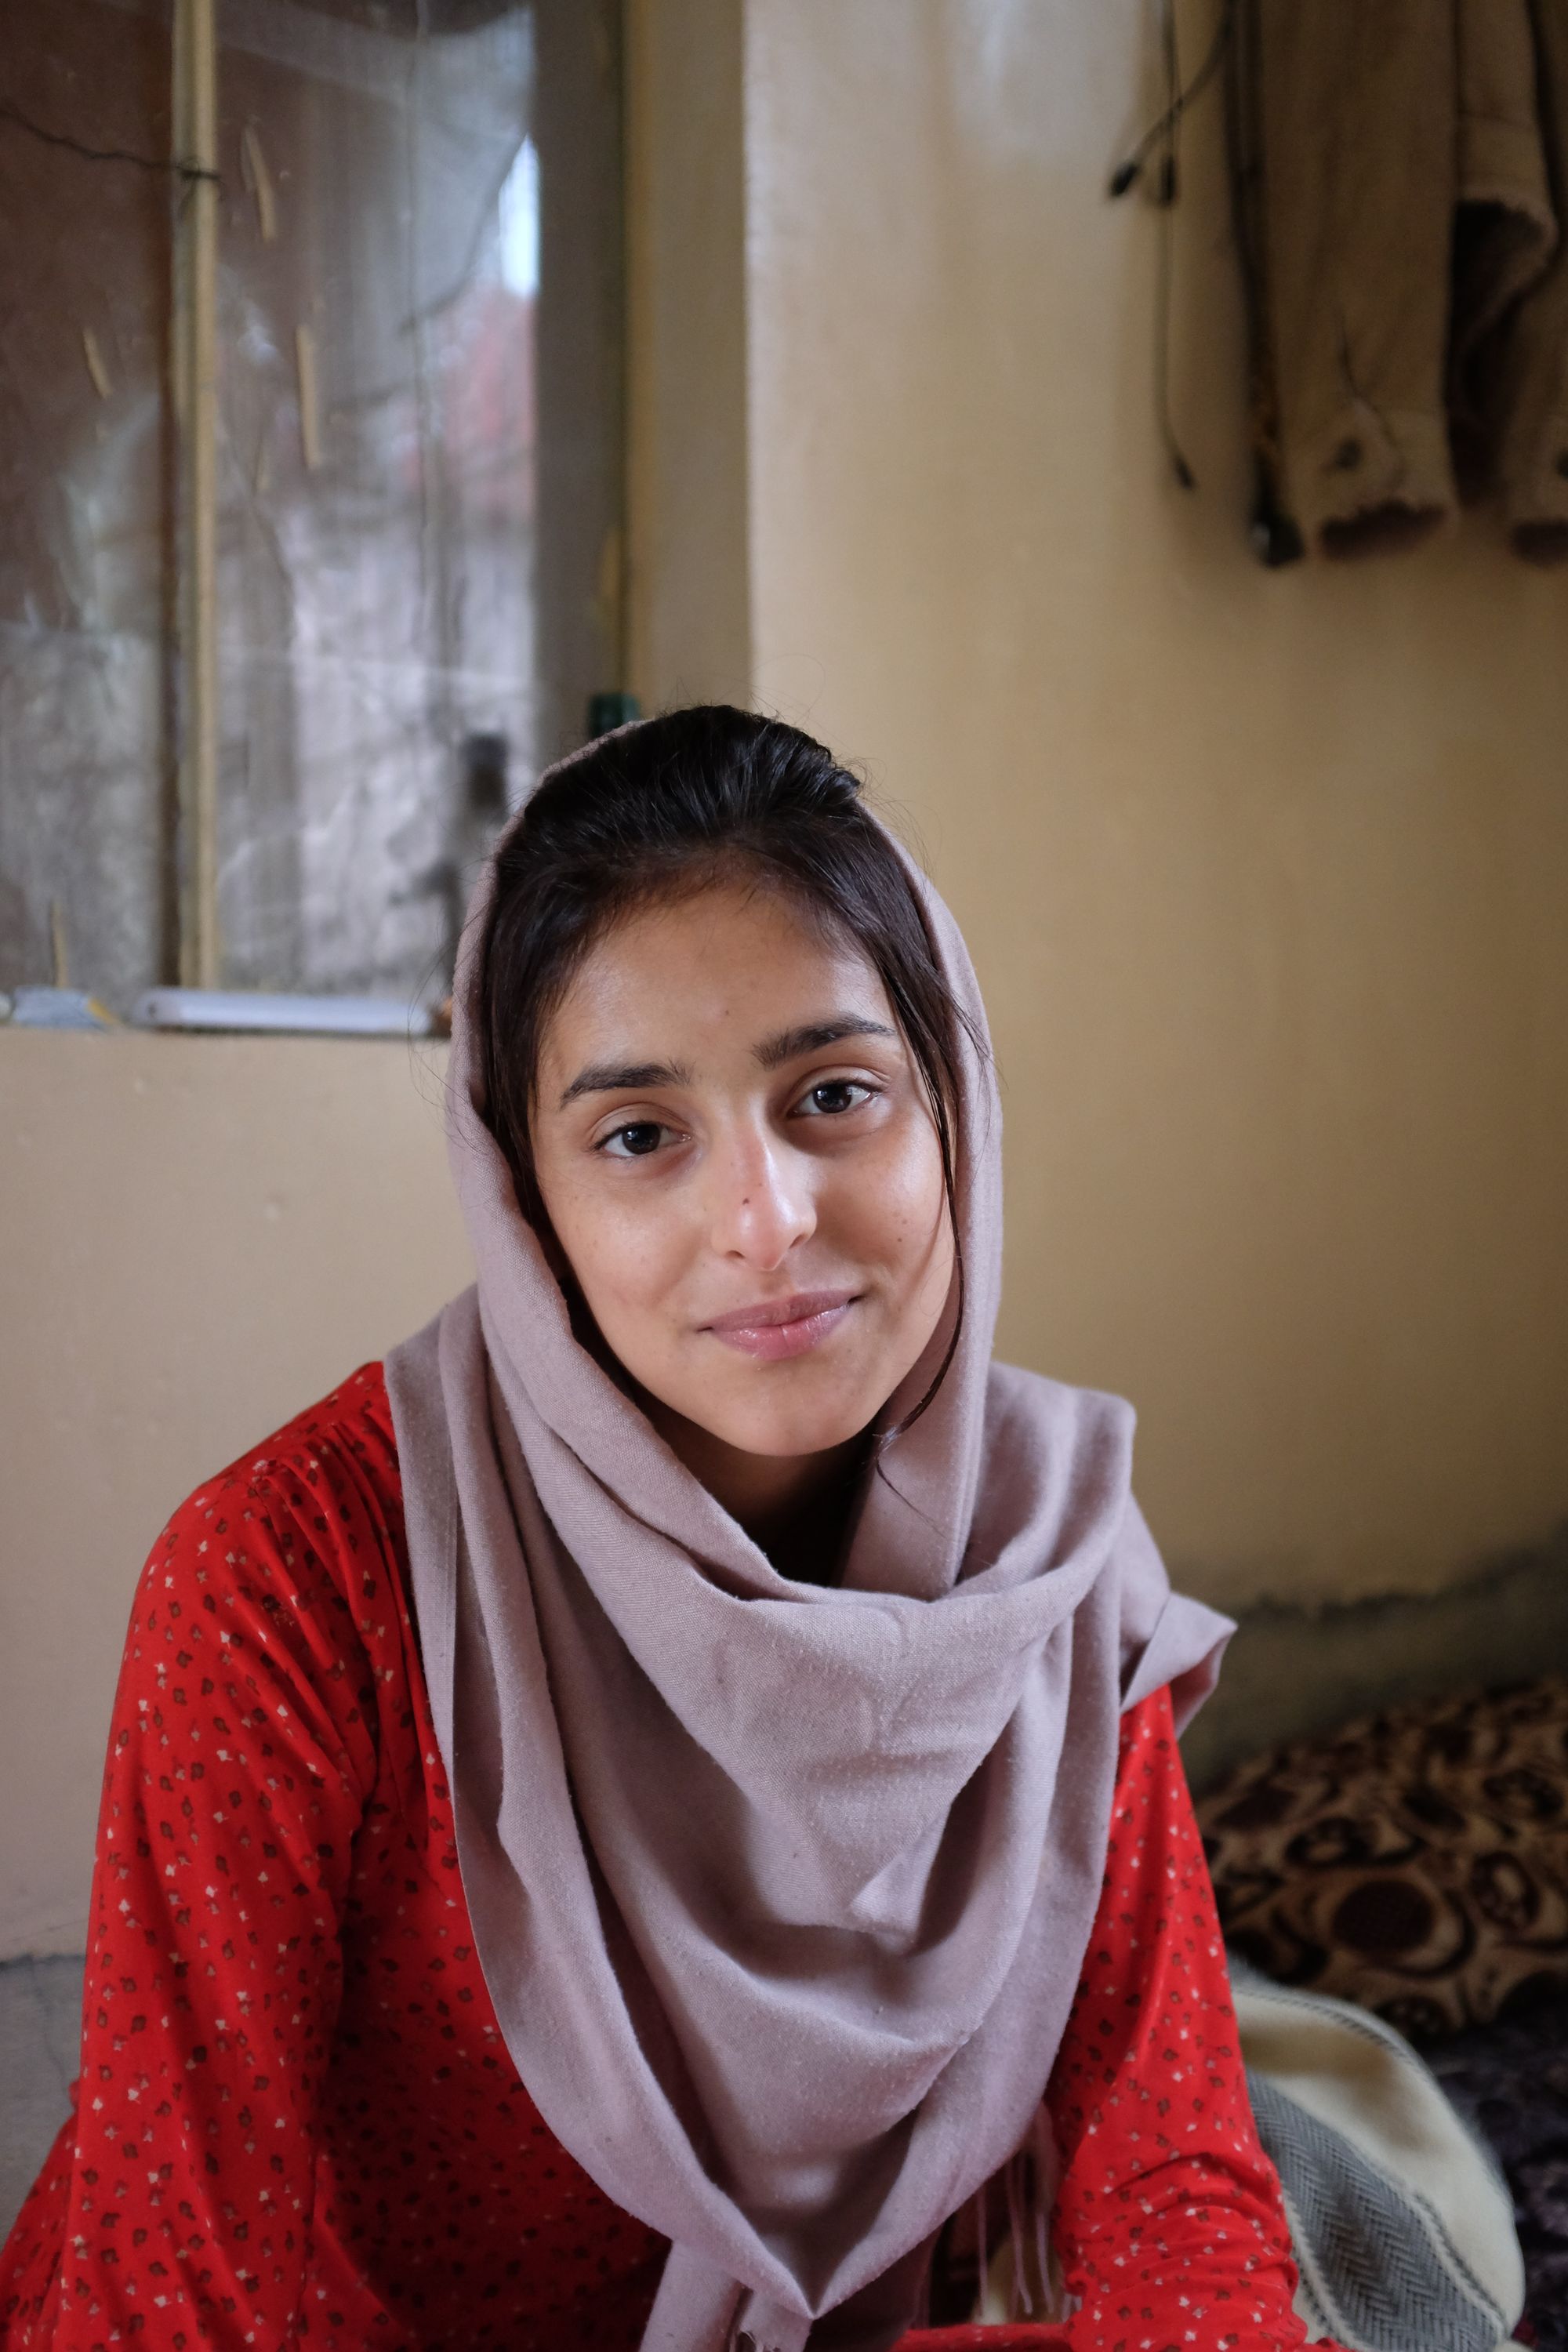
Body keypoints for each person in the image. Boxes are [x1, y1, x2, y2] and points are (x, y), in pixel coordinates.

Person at [1, 708, 1343, 2351]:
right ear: (524, 1197)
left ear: (956, 1113)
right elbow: (167, 2292)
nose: (766, 1223)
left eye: (836, 1094)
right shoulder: (292, 1583)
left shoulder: (1038, 1554)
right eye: (639, 1137)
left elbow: (1171, 2189)